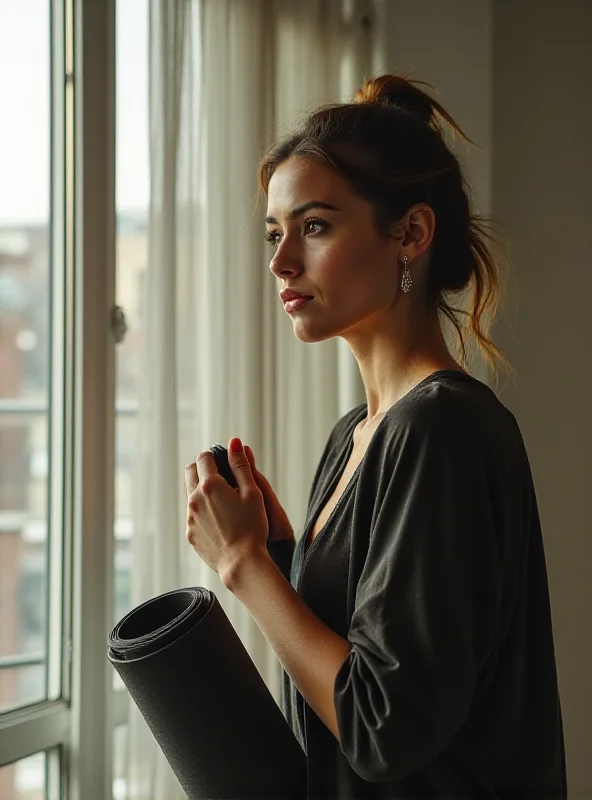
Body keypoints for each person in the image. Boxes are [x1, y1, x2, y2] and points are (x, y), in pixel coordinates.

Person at [186, 74, 567, 799]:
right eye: (275, 233)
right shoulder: (354, 438)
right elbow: (355, 683)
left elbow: (382, 727)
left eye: (315, 226)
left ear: (412, 234)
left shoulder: (443, 429)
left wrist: (245, 567)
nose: (280, 262)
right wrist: (282, 556)